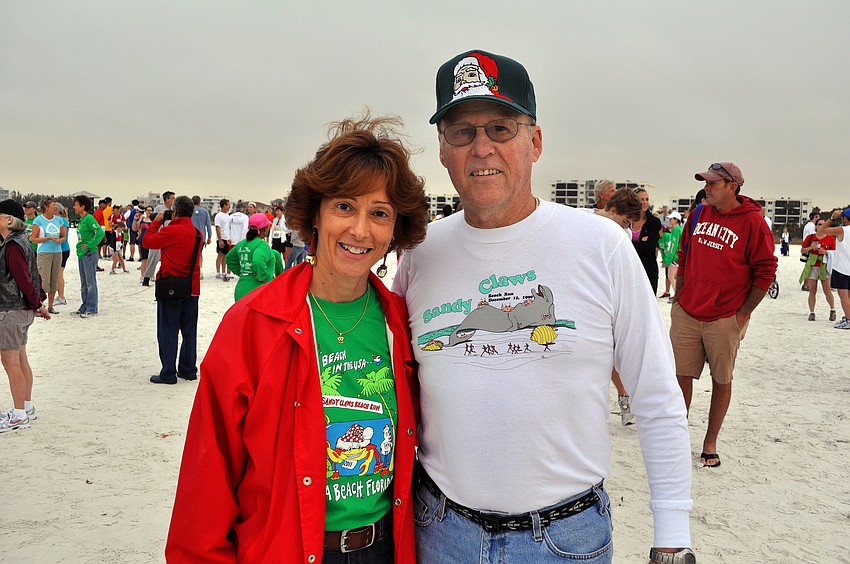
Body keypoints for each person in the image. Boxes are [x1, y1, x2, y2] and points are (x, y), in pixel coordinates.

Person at [392, 49, 693, 564]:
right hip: (439, 532)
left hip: (565, 538)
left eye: (501, 128)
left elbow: (656, 393)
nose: (481, 148)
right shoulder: (420, 255)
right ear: (443, 151)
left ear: (534, 141)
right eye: (461, 132)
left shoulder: (602, 245)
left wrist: (672, 533)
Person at [166, 115, 429, 562]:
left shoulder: (400, 323)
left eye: (379, 213)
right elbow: (207, 474)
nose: (360, 230)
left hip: (386, 547)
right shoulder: (254, 323)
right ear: (316, 215)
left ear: (395, 232)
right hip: (287, 548)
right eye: (345, 206)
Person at [671, 162, 778, 469]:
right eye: (705, 182)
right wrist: (679, 298)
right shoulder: (698, 214)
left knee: (722, 379)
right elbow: (684, 255)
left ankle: (709, 441)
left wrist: (743, 314)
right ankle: (678, 438)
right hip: (688, 312)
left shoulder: (754, 222)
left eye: (713, 183)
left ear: (732, 186)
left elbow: (766, 270)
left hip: (725, 317)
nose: (707, 187)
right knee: (680, 377)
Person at [594, 187, 644, 427]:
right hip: (591, 301)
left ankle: (624, 398)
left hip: (608, 302)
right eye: (626, 221)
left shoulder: (619, 233)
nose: (628, 228)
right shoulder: (587, 222)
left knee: (613, 354)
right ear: (612, 210)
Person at [0, 199, 50, 433]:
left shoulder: (12, 245)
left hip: (11, 310)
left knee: (11, 363)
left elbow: (23, 277)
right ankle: (26, 407)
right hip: (22, 310)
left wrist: (36, 302)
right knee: (20, 360)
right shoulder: (22, 241)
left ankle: (19, 414)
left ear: (9, 219)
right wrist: (37, 302)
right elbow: (34, 275)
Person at [143, 196, 201, 385]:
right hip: (192, 288)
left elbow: (147, 241)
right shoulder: (198, 234)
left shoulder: (171, 231)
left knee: (168, 331)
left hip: (171, 287)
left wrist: (157, 222)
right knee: (189, 331)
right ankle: (188, 369)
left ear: (175, 211)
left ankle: (168, 372)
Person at [224, 213, 280, 301]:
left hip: (241, 289)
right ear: (265, 229)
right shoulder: (262, 245)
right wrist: (264, 277)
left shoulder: (242, 244)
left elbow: (229, 259)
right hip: (257, 291)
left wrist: (242, 272)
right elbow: (258, 261)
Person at [31, 197, 67, 313]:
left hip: (57, 252)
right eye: (53, 205)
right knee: (43, 280)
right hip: (44, 253)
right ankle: (40, 305)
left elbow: (63, 237)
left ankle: (51, 306)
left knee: (54, 279)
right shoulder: (38, 221)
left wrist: (59, 240)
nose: (55, 207)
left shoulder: (59, 220)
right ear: (46, 206)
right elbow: (33, 239)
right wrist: (48, 238)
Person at [71, 195, 104, 318]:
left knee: (91, 282)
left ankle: (92, 307)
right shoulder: (82, 220)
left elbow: (99, 232)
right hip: (82, 254)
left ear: (82, 206)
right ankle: (84, 305)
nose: (74, 207)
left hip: (89, 254)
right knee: (84, 283)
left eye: (76, 204)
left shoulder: (89, 218)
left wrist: (90, 244)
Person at [799, 218, 836, 322]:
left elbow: (835, 253)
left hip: (824, 265)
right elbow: (802, 250)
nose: (821, 227)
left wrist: (826, 252)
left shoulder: (830, 239)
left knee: (827, 290)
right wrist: (810, 248)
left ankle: (832, 310)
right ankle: (812, 312)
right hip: (812, 265)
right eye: (819, 224)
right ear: (816, 226)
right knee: (812, 290)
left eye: (824, 225)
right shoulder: (810, 237)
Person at [818, 208, 850, 329]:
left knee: (843, 295)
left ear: (844, 218)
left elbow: (822, 230)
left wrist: (832, 218)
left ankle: (848, 319)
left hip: (842, 267)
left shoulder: (842, 230)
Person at [630, 188, 663, 295]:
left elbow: (649, 247)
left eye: (647, 199)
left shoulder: (654, 222)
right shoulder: (626, 220)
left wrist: (629, 244)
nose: (645, 202)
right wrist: (641, 242)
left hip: (648, 270)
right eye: (641, 199)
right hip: (629, 269)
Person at [142, 191, 175, 286]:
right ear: (167, 199)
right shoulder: (159, 208)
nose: (173, 200)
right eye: (172, 198)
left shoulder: (173, 209)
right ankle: (147, 278)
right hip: (159, 236)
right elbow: (154, 221)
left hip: (169, 237)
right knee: (153, 258)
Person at [660, 212, 683, 301]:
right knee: (674, 277)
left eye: (671, 219)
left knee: (671, 276)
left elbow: (673, 246)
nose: (669, 220)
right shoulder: (679, 229)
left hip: (675, 257)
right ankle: (677, 294)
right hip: (678, 256)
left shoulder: (676, 230)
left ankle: (677, 295)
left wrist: (667, 260)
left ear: (676, 220)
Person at [190, 195, 213, 278]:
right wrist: (210, 236)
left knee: (190, 254)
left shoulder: (189, 211)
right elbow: (208, 225)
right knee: (199, 254)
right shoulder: (205, 211)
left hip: (190, 235)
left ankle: (191, 270)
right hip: (201, 236)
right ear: (199, 202)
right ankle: (198, 270)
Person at [53, 202, 71, 306]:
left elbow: (62, 236)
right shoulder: (58, 220)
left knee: (59, 273)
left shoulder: (62, 221)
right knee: (57, 273)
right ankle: (59, 295)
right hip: (59, 249)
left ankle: (61, 296)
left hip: (63, 249)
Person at [214, 199, 233, 280]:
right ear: (224, 205)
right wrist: (220, 240)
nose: (229, 207)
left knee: (225, 255)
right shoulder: (219, 215)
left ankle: (223, 271)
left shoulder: (228, 216)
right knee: (220, 255)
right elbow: (217, 228)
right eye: (228, 205)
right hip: (221, 238)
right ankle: (218, 272)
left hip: (227, 237)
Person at [134, 206, 154, 283]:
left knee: (152, 259)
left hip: (152, 240)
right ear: (145, 211)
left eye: (150, 210)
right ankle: (142, 275)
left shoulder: (154, 220)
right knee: (144, 259)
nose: (149, 211)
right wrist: (136, 220)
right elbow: (135, 228)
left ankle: (151, 274)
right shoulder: (142, 219)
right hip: (143, 240)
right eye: (148, 210)